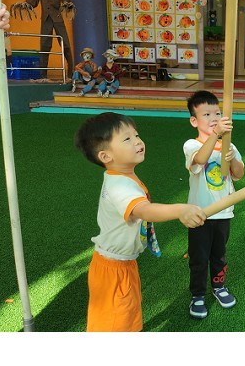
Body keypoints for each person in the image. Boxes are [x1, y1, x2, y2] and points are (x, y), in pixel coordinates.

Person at [74, 112, 206, 331]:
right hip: (114, 270)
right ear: (106, 156)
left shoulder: (123, 176)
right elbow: (143, 210)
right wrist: (180, 210)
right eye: (127, 139)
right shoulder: (120, 186)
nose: (137, 141)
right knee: (116, 325)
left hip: (122, 264)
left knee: (126, 317)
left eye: (136, 135)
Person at [183, 90, 245, 319]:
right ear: (194, 121)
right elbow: (199, 160)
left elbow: (239, 173)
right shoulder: (192, 144)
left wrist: (232, 158)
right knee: (199, 257)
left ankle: (219, 287)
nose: (213, 118)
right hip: (200, 214)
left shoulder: (228, 144)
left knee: (219, 255)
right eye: (206, 114)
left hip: (224, 213)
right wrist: (217, 134)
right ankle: (197, 295)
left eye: (217, 113)